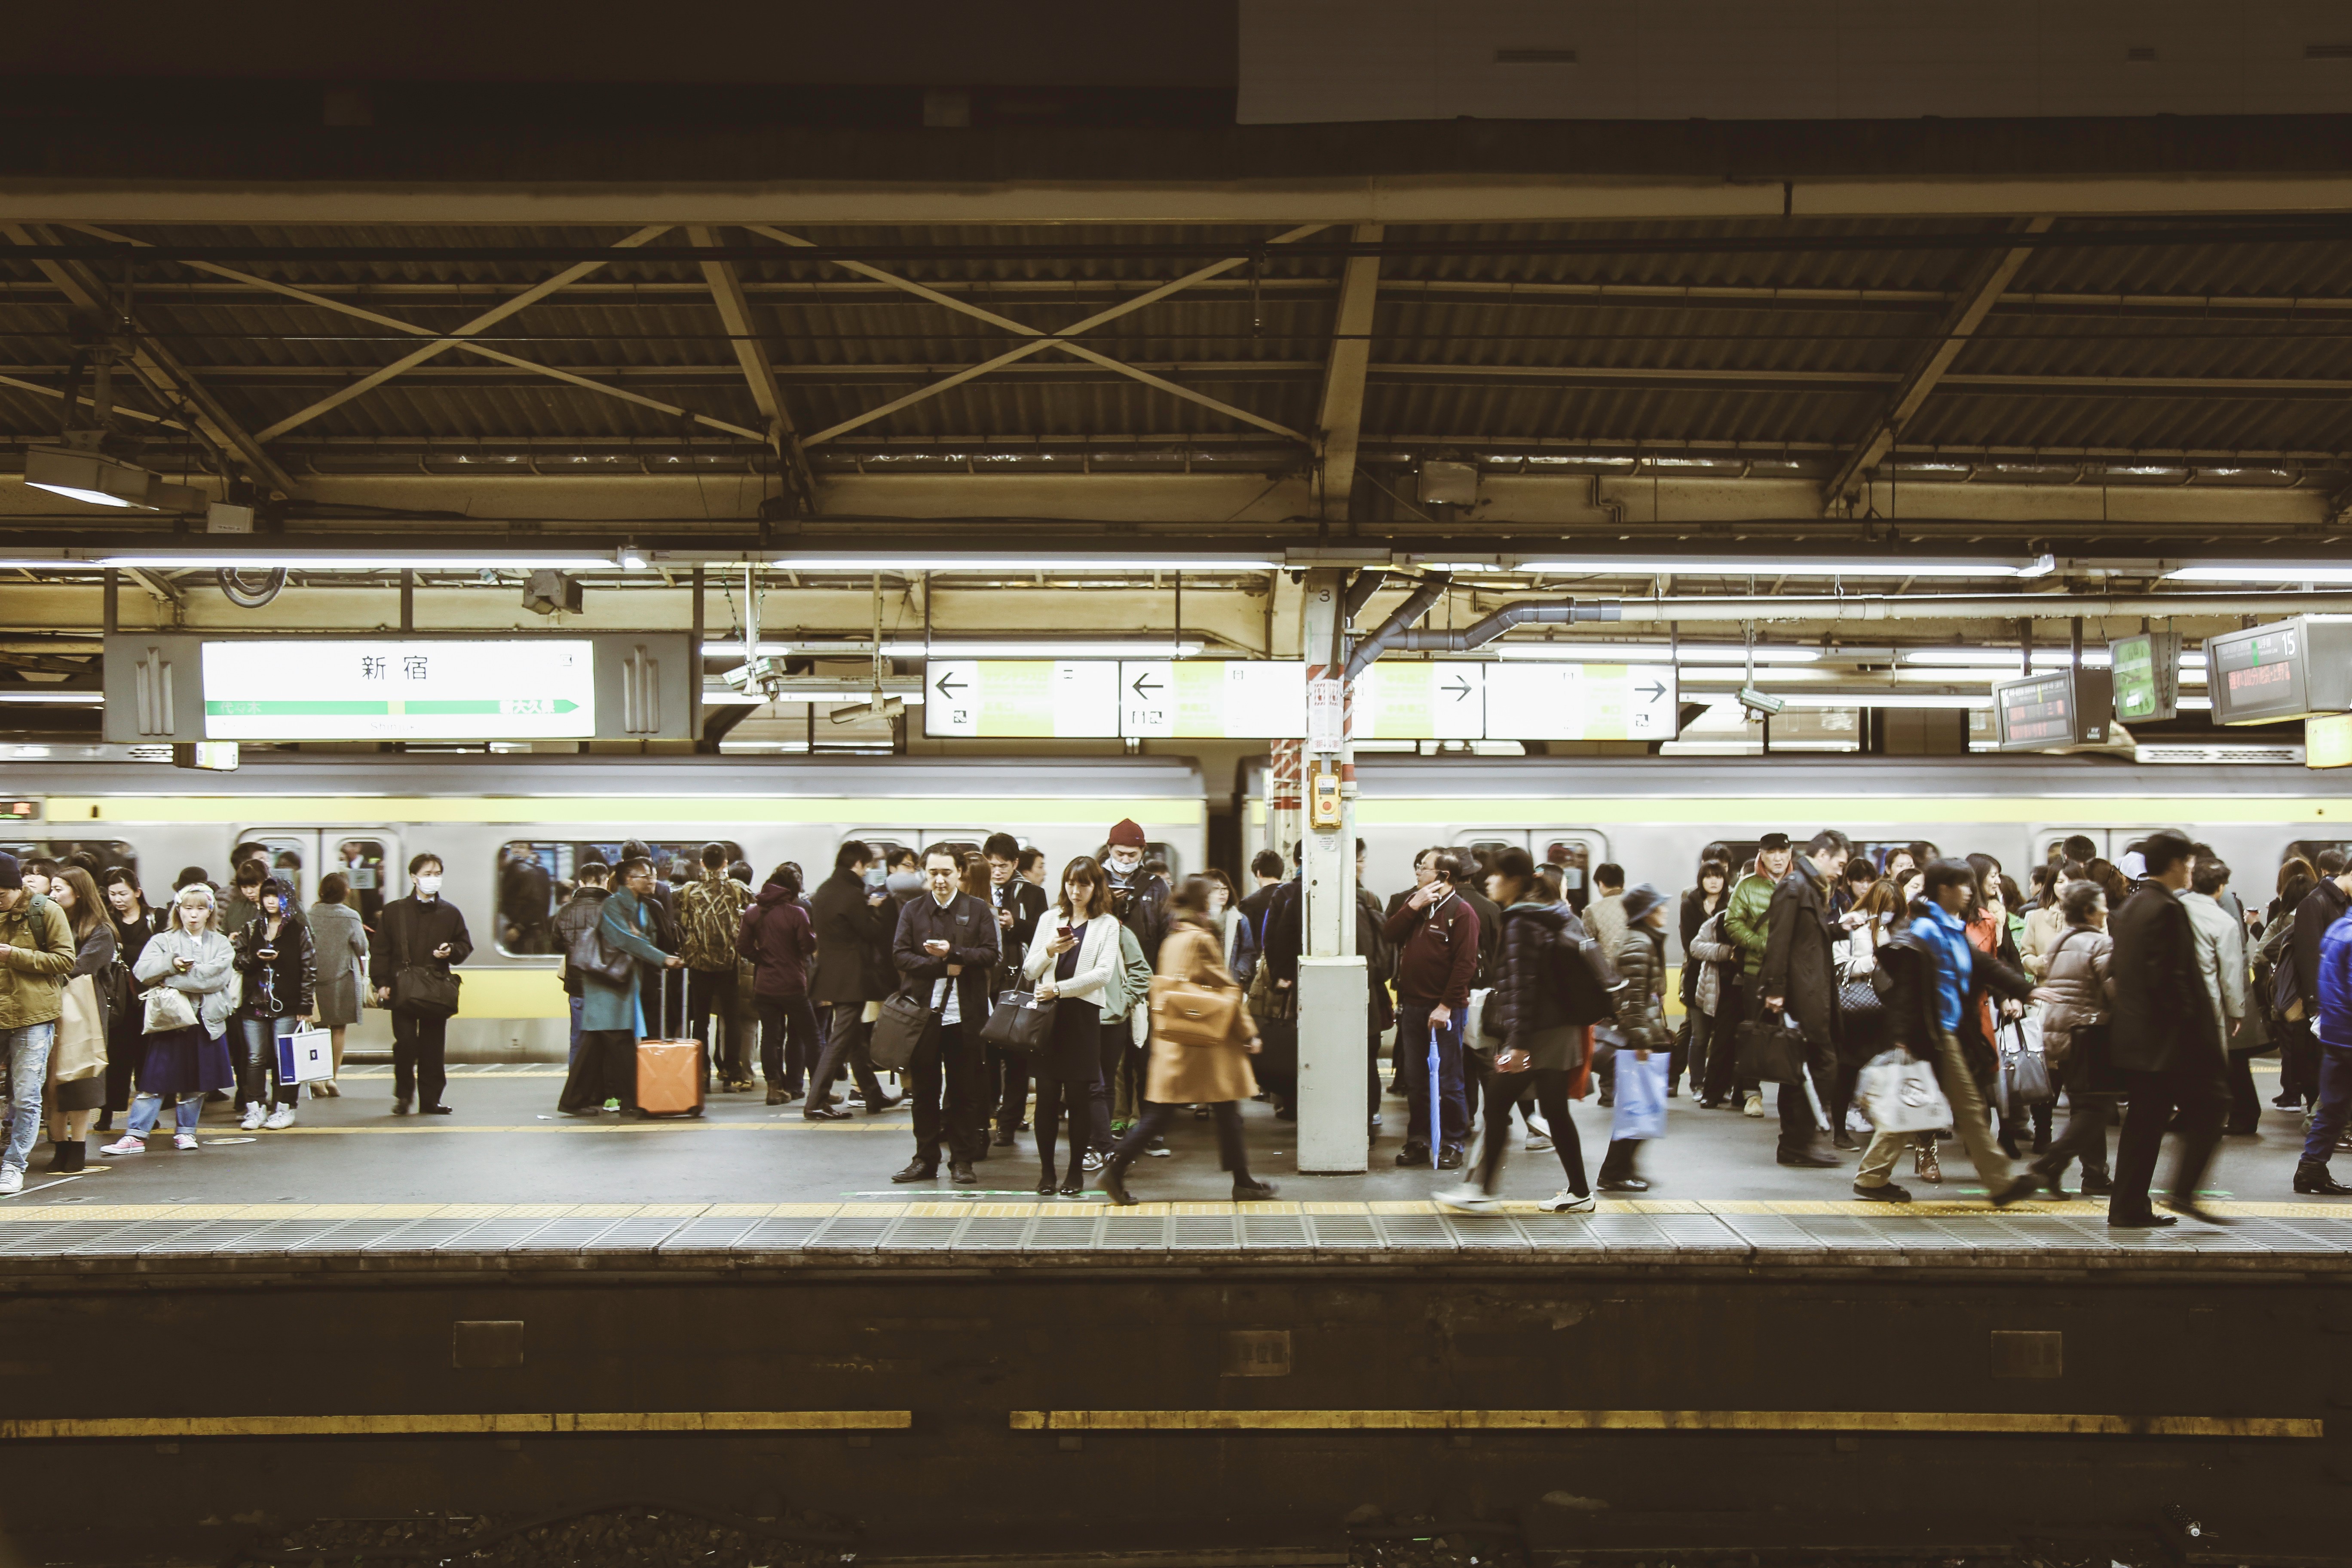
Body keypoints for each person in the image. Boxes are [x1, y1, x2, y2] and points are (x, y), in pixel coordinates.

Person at [1851, 859, 2038, 1206]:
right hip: (1931, 1037)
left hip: (1946, 1033)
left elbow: (1983, 965)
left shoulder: (1946, 929)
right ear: (1945, 890)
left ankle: (1872, 1178)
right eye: (1963, 885)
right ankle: (2000, 1184)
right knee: (1957, 1106)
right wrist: (1904, 1039)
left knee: (1924, 1106)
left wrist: (2023, 989)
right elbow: (1906, 992)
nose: (1970, 892)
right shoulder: (1925, 933)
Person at [1440, 847, 1602, 1214]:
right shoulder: (1549, 912)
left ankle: (1482, 1188)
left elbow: (1524, 988)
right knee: (1554, 1110)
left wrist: (1517, 1044)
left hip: (1540, 1031)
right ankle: (1580, 1192)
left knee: (1497, 1104)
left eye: (1495, 876)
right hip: (1558, 1028)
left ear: (1513, 880)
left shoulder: (1521, 921)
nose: (1489, 882)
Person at [1099, 874, 1276, 1206]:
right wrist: (1248, 1032)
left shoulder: (1174, 937)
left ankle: (1243, 1180)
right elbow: (1226, 988)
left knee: (1200, 1112)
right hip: (1205, 1043)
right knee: (1216, 1110)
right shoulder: (1201, 939)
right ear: (1200, 903)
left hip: (1178, 1040)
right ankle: (1117, 1167)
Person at [2106, 832, 2229, 1227]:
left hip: (2136, 1039)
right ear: (2175, 864)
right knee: (2212, 1107)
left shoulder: (2133, 906)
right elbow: (2172, 981)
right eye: (2189, 863)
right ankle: (2182, 1193)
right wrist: (2198, 1038)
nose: (2192, 871)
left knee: (2143, 1124)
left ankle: (2127, 1207)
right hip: (2167, 1042)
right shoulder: (2166, 908)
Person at [891, 846, 1001, 1185]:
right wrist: (940, 965)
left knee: (965, 1091)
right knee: (923, 1091)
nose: (940, 880)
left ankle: (962, 1160)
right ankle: (925, 1158)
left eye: (947, 873)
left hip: (965, 1015)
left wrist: (956, 954)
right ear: (925, 873)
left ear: (960, 874)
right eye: (934, 873)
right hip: (923, 1015)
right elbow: (900, 955)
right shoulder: (913, 910)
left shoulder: (978, 909)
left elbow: (991, 954)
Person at [104, 883, 237, 1159]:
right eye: (188, 908)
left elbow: (217, 979)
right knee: (155, 1079)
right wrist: (170, 963)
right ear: (179, 909)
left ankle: (186, 1131)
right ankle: (135, 1135)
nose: (194, 915)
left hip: (207, 1020)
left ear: (210, 911)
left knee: (198, 1082)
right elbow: (142, 972)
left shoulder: (221, 942)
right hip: (171, 1020)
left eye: (201, 908)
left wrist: (170, 979)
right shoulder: (163, 941)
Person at [1022, 855, 1121, 1196]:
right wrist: (1050, 949)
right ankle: (1047, 1173)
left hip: (1081, 1017)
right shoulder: (1050, 919)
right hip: (1048, 1016)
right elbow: (1029, 970)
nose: (1076, 890)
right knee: (1047, 1097)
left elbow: (1104, 975)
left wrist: (1060, 989)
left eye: (1084, 884)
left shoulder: (1107, 924)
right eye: (1070, 883)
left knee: (1079, 1098)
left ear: (1096, 888)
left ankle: (1075, 1172)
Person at [558, 856, 685, 1116]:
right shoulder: (613, 905)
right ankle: (635, 1101)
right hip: (607, 983)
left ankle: (573, 1101)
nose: (652, 880)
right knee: (621, 1043)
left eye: (653, 875)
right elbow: (625, 941)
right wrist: (663, 958)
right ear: (629, 880)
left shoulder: (642, 906)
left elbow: (643, 938)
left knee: (594, 1047)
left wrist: (643, 939)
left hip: (622, 982)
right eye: (645, 876)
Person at [1382, 848, 1481, 1169]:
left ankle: (1453, 1141)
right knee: (1416, 1078)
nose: (1417, 873)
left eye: (1423, 869)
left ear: (1443, 877)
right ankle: (1419, 1140)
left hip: (1444, 1010)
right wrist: (1412, 906)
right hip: (1412, 1006)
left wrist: (1446, 1006)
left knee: (1449, 1079)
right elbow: (1389, 934)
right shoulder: (1417, 907)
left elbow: (1464, 965)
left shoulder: (1462, 912)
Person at [1759, 830, 1849, 1168]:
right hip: (1801, 993)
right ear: (1823, 854)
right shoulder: (1794, 887)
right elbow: (1779, 941)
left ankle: (1797, 1144)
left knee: (1803, 1069)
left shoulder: (1809, 887)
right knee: (1820, 1065)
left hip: (1812, 990)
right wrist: (1776, 990)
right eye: (1839, 864)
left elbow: (1808, 936)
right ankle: (1798, 1144)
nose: (1840, 872)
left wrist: (1840, 928)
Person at [2028, 879, 2117, 1197]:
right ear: (2090, 911)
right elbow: (2113, 991)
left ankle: (2087, 1173)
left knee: (2086, 1106)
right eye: (2103, 904)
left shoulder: (2062, 940)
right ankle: (2058, 1164)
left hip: (2058, 1030)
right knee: (2095, 1108)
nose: (2107, 910)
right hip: (2087, 1034)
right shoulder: (2100, 945)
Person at [368, 852, 473, 1116]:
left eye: (437, 874)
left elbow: (464, 945)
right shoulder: (395, 911)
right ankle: (404, 1096)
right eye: (428, 874)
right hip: (401, 988)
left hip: (435, 988)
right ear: (414, 878)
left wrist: (451, 951)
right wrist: (381, 983)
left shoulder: (450, 913)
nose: (433, 879)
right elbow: (380, 950)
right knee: (406, 1045)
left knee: (433, 1047)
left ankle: (431, 1100)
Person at [806, 841, 898, 1118]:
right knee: (840, 1040)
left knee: (855, 1039)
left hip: (831, 975)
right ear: (857, 864)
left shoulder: (824, 891)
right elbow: (871, 933)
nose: (868, 872)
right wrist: (875, 910)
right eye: (868, 866)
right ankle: (815, 1102)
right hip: (852, 978)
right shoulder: (851, 894)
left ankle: (873, 1094)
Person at [0, 851, 75, 1192]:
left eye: (1, 893)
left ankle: (14, 1164)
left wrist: (13, 955)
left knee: (27, 1095)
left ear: (16, 887)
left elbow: (65, 960)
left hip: (32, 1017)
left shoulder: (45, 911)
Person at [35, 867, 112, 1175]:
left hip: (85, 1011)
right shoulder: (50, 922)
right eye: (51, 889)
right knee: (52, 1080)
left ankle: (77, 1146)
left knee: (80, 1079)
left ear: (78, 891)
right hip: (49, 1007)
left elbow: (79, 966)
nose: (52, 895)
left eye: (59, 889)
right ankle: (60, 1145)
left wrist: (44, 966)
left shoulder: (99, 930)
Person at [1599, 883, 1675, 1192]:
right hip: (1639, 1041)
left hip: (1645, 1037)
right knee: (1638, 1110)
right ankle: (1614, 1172)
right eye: (1659, 906)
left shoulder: (1644, 941)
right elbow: (1631, 1001)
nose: (1665, 910)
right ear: (1647, 913)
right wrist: (1642, 1041)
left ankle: (1624, 1168)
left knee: (1642, 1109)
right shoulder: (1639, 944)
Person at [229, 875, 315, 1131]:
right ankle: (255, 1108)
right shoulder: (251, 928)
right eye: (266, 896)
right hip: (253, 1004)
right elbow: (236, 960)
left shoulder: (299, 930)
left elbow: (309, 968)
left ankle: (284, 1108)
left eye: (276, 896)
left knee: (284, 1059)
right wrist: (256, 959)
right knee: (254, 1058)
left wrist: (305, 1005)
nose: (270, 901)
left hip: (287, 1006)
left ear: (287, 899)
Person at [738, 862, 824, 1113]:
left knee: (771, 1038)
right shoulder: (797, 913)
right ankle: (820, 1090)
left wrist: (762, 959)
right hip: (793, 985)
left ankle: (774, 1089)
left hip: (765, 986)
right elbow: (807, 947)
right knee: (812, 1037)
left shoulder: (753, 912)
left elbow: (742, 946)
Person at [983, 832, 1050, 1145]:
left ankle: (1009, 1123)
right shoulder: (976, 892)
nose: (997, 871)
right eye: (992, 865)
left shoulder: (1033, 894)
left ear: (1015, 864)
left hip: (1018, 983)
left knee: (1016, 1058)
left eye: (1003, 866)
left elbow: (1043, 933)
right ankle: (985, 1115)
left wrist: (1014, 926)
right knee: (985, 1057)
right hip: (985, 984)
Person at [2180, 858, 2254, 1134]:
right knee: (2208, 1065)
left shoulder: (2175, 909)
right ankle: (2204, 1118)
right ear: (2221, 888)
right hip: (2208, 1003)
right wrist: (2237, 1011)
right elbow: (2231, 973)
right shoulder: (2224, 922)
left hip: (2173, 1001)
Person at [1724, 831, 1792, 1118]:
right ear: (1762, 855)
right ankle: (1752, 1093)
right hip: (1757, 971)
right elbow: (1732, 923)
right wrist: (1763, 946)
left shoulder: (1800, 885)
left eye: (1782, 851)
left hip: (1793, 974)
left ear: (1790, 854)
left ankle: (1796, 1093)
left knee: (1794, 1033)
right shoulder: (1747, 887)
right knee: (1755, 1031)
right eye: (1771, 852)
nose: (1778, 857)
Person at [678, 842, 756, 1093]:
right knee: (731, 1019)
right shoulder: (737, 888)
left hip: (699, 965)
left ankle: (701, 1071)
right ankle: (732, 1073)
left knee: (700, 1021)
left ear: (702, 863)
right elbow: (758, 906)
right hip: (728, 964)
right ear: (725, 864)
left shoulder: (690, 890)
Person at [2297, 888, 2352, 1196]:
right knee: (2335, 1108)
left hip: (2335, 1033)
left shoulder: (2339, 928)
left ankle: (2311, 1170)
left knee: (2333, 1107)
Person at [95, 867, 154, 1133]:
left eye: (123, 893)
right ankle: (107, 1112)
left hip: (147, 997)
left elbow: (157, 952)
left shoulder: (156, 918)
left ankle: (149, 1115)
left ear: (137, 892)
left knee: (147, 1058)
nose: (117, 899)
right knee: (116, 1058)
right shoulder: (106, 920)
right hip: (117, 997)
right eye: (113, 894)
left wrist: (124, 951)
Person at [305, 872, 368, 1097]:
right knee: (338, 1029)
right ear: (346, 893)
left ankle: (318, 1080)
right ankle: (331, 1078)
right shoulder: (351, 917)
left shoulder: (309, 915)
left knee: (319, 1029)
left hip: (314, 982)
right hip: (343, 980)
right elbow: (361, 947)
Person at [553, 861, 612, 1069]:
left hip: (578, 985)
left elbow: (557, 943)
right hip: (607, 985)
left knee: (578, 1038)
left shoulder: (566, 911)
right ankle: (605, 1091)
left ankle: (576, 1091)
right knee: (608, 1040)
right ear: (606, 881)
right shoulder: (614, 908)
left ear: (580, 882)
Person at [1585, 863, 1627, 954]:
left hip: (1607, 967)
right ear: (1623, 884)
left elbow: (1587, 947)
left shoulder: (1592, 910)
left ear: (1601, 884)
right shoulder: (1638, 904)